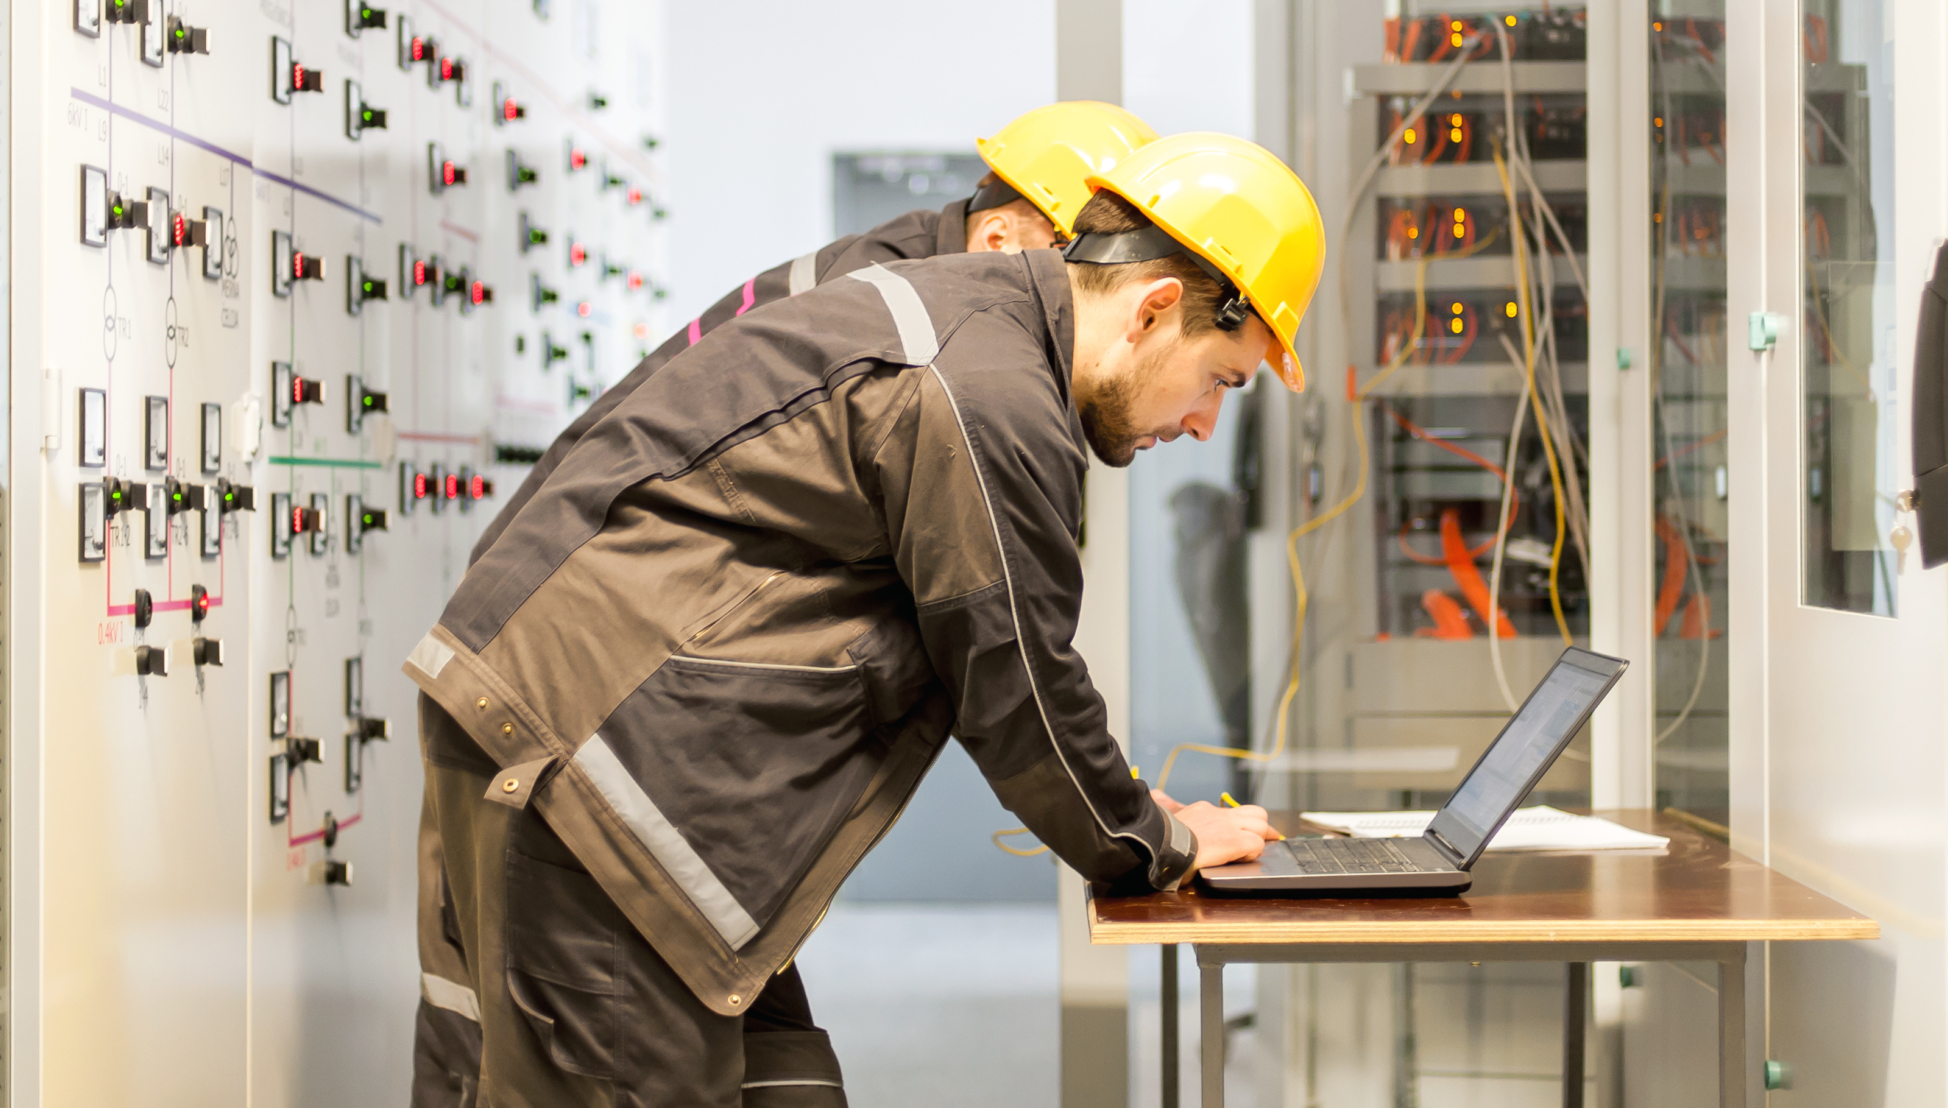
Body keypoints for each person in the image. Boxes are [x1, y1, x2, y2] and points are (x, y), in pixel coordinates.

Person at [404, 132, 1324, 1106]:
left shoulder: (975, 329)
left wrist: (1138, 816)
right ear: (1153, 308)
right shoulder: (989, 391)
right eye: (1222, 379)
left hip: (607, 755)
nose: (1203, 425)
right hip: (587, 773)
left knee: (785, 1088)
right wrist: (1153, 841)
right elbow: (1018, 680)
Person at [471, 100, 1160, 562]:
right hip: (571, 577)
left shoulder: (920, 289)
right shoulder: (891, 319)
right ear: (1001, 235)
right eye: (1079, 268)